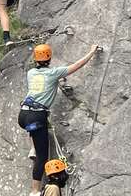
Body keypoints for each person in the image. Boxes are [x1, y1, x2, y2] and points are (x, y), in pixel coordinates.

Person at [18, 44, 99, 196]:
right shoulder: (54, 73)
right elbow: (77, 65)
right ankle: (34, 191)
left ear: (36, 59)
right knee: (42, 158)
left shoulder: (31, 73)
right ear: (49, 57)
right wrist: (91, 52)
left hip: (23, 114)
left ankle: (33, 147)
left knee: (35, 129)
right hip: (37, 117)